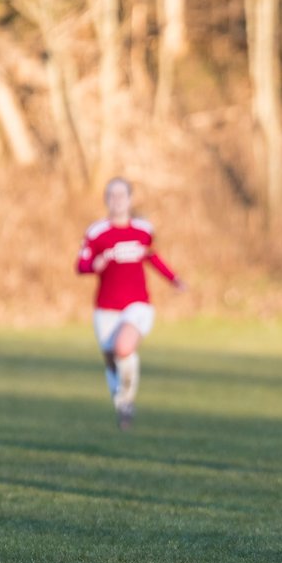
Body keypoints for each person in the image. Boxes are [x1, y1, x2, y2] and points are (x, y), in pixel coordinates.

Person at [76, 177, 184, 430]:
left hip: (138, 305)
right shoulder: (96, 233)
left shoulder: (143, 231)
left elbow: (152, 257)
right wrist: (94, 266)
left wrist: (174, 279)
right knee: (111, 358)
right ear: (106, 200)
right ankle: (122, 400)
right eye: (111, 195)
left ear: (130, 199)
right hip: (106, 308)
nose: (117, 200)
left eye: (122, 195)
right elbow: (80, 265)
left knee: (124, 347)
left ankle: (126, 401)